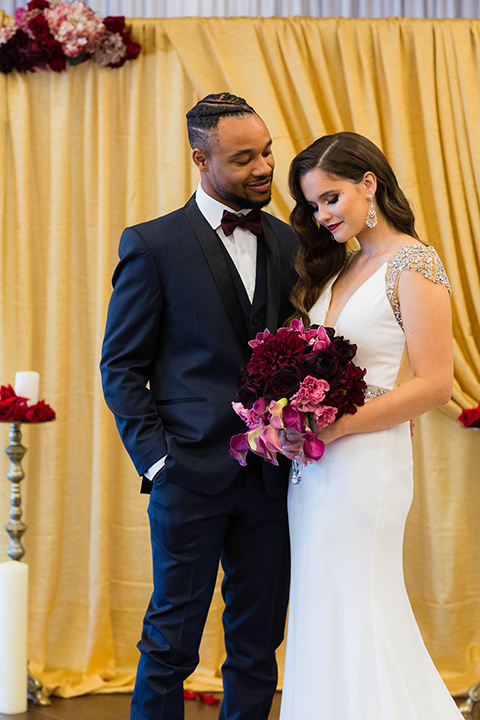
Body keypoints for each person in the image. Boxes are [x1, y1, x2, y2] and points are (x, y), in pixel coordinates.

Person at [100, 93, 297, 720]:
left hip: (272, 482)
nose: (264, 166)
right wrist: (159, 464)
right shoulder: (152, 244)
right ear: (199, 158)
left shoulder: (294, 243)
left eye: (267, 151)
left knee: (258, 645)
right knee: (170, 644)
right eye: (244, 158)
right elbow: (121, 367)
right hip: (187, 475)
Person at [280, 131, 462, 719]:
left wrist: (332, 428)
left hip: (367, 463)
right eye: (312, 205)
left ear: (368, 184)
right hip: (314, 467)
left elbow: (435, 384)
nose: (322, 214)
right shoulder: (341, 265)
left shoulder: (415, 261)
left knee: (362, 598)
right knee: (319, 599)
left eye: (331, 198)